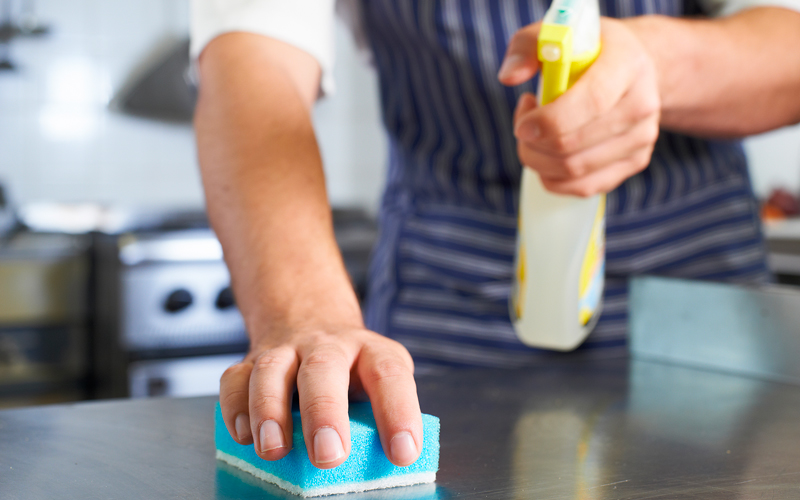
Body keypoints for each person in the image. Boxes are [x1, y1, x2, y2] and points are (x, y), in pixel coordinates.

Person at [191, 0, 800, 472]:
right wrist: (304, 312)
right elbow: (254, 60)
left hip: (697, 319)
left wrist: (655, 63)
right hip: (446, 317)